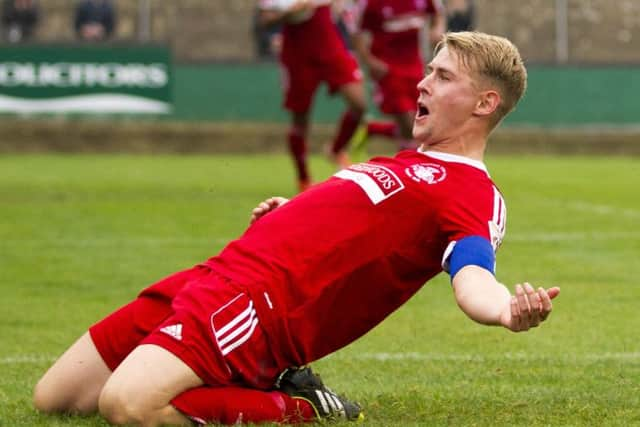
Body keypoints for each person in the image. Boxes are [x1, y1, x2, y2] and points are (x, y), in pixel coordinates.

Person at [33, 31, 560, 426]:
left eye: (443, 77)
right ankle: (258, 380)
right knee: (55, 399)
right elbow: (349, 227)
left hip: (252, 306)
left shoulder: (472, 192)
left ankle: (296, 404)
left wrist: (505, 311)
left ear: (485, 103)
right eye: (429, 69)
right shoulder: (403, 161)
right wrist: (288, 214)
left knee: (127, 405)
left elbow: (472, 275)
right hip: (213, 275)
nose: (422, 82)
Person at [257, 0, 368, 192]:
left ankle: (336, 149)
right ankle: (303, 178)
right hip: (297, 52)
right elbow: (265, 19)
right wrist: (290, 11)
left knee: (359, 104)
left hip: (328, 42)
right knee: (300, 118)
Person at [349, 0, 446, 158]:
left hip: (415, 67)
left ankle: (373, 129)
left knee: (419, 124)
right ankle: (411, 170)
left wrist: (437, 29)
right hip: (387, 69)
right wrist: (369, 60)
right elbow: (355, 30)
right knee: (410, 124)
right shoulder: (370, 4)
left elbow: (438, 13)